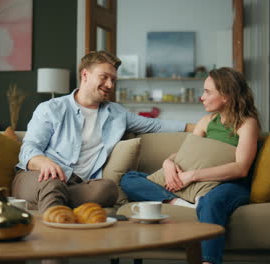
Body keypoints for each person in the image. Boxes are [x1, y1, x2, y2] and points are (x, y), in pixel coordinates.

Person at [10, 51, 192, 213]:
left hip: (77, 185)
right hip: (36, 177)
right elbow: (29, 148)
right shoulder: (51, 108)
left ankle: (45, 205)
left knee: (108, 188)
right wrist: (42, 162)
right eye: (104, 77)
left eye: (113, 79)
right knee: (52, 184)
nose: (110, 85)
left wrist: (199, 127)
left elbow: (155, 125)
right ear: (85, 75)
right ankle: (55, 236)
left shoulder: (117, 113)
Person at [120, 67, 260, 264]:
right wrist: (168, 163)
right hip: (192, 189)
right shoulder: (206, 121)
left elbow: (241, 168)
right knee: (129, 178)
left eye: (207, 92)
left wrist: (192, 175)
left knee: (212, 201)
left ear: (227, 96)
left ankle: (208, 261)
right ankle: (184, 204)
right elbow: (185, 153)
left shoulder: (247, 123)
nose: (202, 97)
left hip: (228, 186)